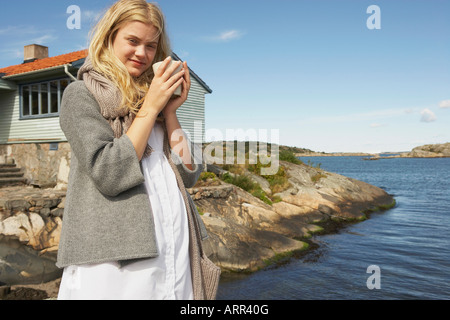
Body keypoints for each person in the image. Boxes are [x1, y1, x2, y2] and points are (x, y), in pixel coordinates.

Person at [56, 0, 219, 300]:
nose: (142, 54)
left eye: (151, 45)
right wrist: (152, 106)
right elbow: (109, 172)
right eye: (132, 41)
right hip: (114, 266)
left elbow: (190, 172)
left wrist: (169, 112)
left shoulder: (155, 101)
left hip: (174, 254)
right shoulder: (80, 95)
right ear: (109, 37)